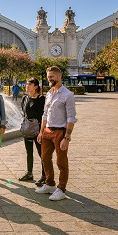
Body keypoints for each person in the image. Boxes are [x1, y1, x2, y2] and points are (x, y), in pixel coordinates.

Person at [35, 66, 77, 201]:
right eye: (48, 77)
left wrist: (67, 137)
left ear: (59, 76)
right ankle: (50, 184)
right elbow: (45, 114)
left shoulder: (68, 95)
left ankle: (61, 189)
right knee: (45, 158)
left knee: (61, 162)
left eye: (52, 76)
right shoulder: (49, 93)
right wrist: (41, 132)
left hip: (60, 131)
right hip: (48, 130)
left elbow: (71, 118)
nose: (50, 79)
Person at [19, 78, 46, 186]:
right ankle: (29, 173)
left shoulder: (41, 99)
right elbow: (24, 112)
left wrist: (42, 131)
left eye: (30, 84)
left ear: (36, 86)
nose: (27, 86)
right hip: (27, 129)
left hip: (38, 130)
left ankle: (45, 175)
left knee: (42, 153)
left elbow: (44, 115)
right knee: (29, 152)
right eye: (27, 84)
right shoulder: (25, 98)